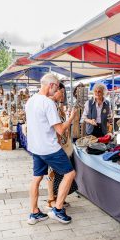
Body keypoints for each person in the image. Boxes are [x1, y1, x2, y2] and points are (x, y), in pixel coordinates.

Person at [25, 73, 77, 225]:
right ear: (52, 85)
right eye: (56, 87)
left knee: (36, 178)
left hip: (35, 147)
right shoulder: (48, 103)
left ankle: (34, 213)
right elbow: (60, 130)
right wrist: (71, 119)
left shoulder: (30, 101)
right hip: (49, 148)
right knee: (70, 173)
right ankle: (58, 209)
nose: (56, 91)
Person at [46, 82, 77, 209]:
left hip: (59, 145)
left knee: (58, 173)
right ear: (55, 91)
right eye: (62, 92)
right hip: (54, 145)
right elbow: (59, 128)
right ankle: (51, 200)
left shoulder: (56, 106)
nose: (63, 95)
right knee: (53, 173)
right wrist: (70, 118)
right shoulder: (51, 105)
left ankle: (57, 198)